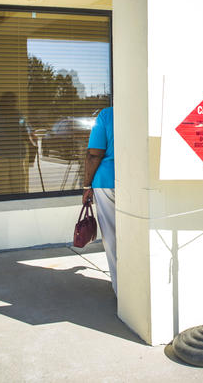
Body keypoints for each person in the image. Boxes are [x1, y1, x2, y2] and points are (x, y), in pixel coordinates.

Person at [82, 107, 117, 295]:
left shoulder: (106, 114)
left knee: (111, 236)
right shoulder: (142, 106)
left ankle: (120, 289)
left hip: (107, 182)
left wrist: (87, 186)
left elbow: (94, 153)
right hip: (136, 180)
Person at [0, 92, 36, 195]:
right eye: (9, 100)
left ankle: (19, 204)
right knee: (0, 185)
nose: (11, 103)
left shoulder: (19, 116)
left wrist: (31, 143)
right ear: (2, 102)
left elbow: (24, 131)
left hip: (17, 155)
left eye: (13, 101)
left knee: (18, 184)